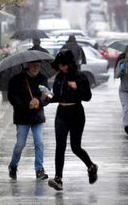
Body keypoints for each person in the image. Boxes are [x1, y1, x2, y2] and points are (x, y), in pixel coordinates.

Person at [46, 49, 98, 191]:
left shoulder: (80, 77)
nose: (62, 68)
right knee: (60, 146)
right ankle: (58, 179)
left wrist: (76, 88)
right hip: (61, 114)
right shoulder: (59, 77)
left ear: (70, 64)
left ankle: (91, 167)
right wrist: (45, 98)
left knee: (75, 147)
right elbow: (56, 96)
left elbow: (87, 96)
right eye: (60, 66)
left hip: (76, 113)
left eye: (64, 65)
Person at [7, 60, 50, 180]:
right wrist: (27, 104)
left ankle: (39, 169)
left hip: (37, 117)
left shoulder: (43, 79)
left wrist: (38, 102)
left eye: (38, 65)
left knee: (39, 143)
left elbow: (49, 96)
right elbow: (12, 97)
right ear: (28, 65)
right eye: (34, 65)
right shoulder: (17, 80)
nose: (36, 68)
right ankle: (13, 165)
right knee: (20, 144)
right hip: (22, 117)